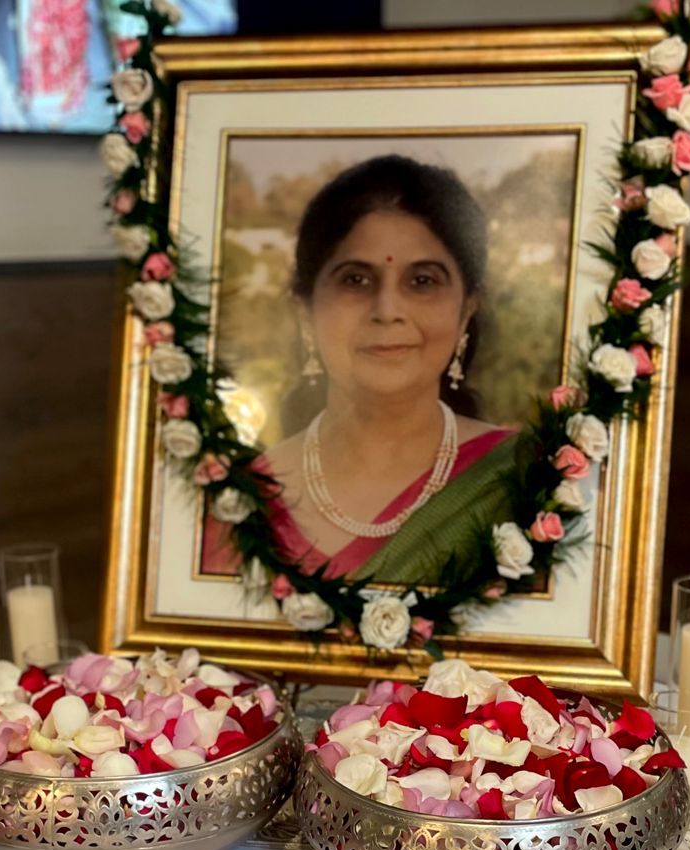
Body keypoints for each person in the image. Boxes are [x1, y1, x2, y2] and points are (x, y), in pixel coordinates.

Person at [204, 154, 519, 583]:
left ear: (466, 311)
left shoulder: (517, 481)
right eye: (355, 280)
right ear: (305, 312)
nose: (387, 310)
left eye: (422, 281)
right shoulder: (239, 506)